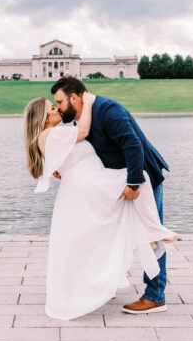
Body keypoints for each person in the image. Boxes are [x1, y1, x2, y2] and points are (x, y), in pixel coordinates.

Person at [23, 87, 178, 320]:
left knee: (97, 239)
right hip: (92, 185)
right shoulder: (59, 131)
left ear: (73, 97)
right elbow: (83, 133)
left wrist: (59, 168)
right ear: (43, 118)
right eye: (53, 107)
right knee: (139, 185)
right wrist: (90, 102)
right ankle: (154, 235)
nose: (57, 108)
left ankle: (140, 282)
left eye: (58, 103)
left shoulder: (71, 126)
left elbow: (68, 156)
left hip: (93, 184)